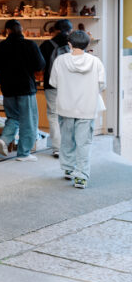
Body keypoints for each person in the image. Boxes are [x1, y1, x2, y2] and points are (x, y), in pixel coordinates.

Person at [49, 30, 105, 189]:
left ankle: (68, 169)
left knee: (67, 140)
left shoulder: (60, 61)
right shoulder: (95, 62)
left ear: (69, 44)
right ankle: (81, 177)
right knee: (84, 142)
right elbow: (102, 84)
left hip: (65, 107)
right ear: (88, 45)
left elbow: (54, 83)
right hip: (87, 108)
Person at [0, 19, 46, 161]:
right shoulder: (30, 45)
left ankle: (4, 139)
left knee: (12, 117)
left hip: (7, 88)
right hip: (25, 88)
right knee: (28, 120)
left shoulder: (0, 46)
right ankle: (24, 153)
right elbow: (40, 65)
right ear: (21, 29)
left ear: (7, 31)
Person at [40, 19, 72, 159]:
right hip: (70, 86)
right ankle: (69, 146)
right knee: (68, 115)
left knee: (53, 115)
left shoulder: (46, 45)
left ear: (55, 30)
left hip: (51, 84)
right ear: (69, 30)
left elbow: (40, 64)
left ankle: (57, 148)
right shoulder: (74, 45)